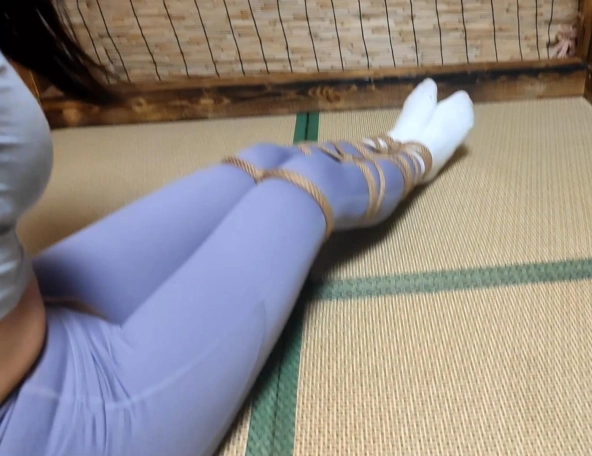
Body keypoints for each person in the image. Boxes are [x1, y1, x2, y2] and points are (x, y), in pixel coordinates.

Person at [0, 2, 474, 455]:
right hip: (54, 425)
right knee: (306, 185)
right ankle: (416, 157)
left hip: (32, 301)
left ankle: (388, 143)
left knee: (260, 162)